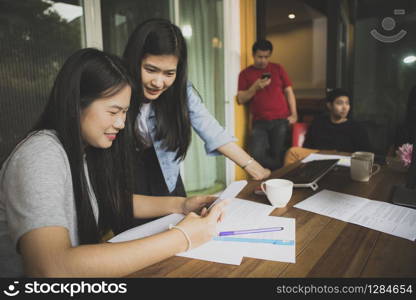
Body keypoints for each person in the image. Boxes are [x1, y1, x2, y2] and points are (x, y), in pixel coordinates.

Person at [0, 48, 228, 277]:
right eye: (113, 112)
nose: (121, 123)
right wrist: (182, 237)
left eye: (125, 113)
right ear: (77, 104)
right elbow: (50, 268)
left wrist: (182, 205)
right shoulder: (40, 154)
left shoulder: (83, 151)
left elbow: (111, 201)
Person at [123, 18, 270, 198]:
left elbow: (210, 128)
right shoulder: (116, 88)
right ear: (134, 60)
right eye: (151, 70)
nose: (158, 82)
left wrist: (252, 166)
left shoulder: (181, 91)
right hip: (128, 178)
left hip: (166, 175)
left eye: (169, 73)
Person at [237, 39, 298, 171]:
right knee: (256, 154)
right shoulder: (245, 74)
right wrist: (255, 87)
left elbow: (289, 91)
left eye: (266, 57)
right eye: (260, 57)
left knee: (278, 154)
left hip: (281, 120)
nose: (263, 60)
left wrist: (294, 114)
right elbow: (241, 99)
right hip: (260, 122)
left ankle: (274, 181)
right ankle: (272, 174)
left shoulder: (278, 68)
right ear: (253, 55)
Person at [284, 88, 372, 165]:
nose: (345, 107)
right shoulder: (319, 122)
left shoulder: (356, 127)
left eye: (347, 103)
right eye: (340, 103)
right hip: (320, 156)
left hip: (345, 157)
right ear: (330, 105)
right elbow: (308, 146)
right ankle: (289, 182)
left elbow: (365, 153)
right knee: (292, 152)